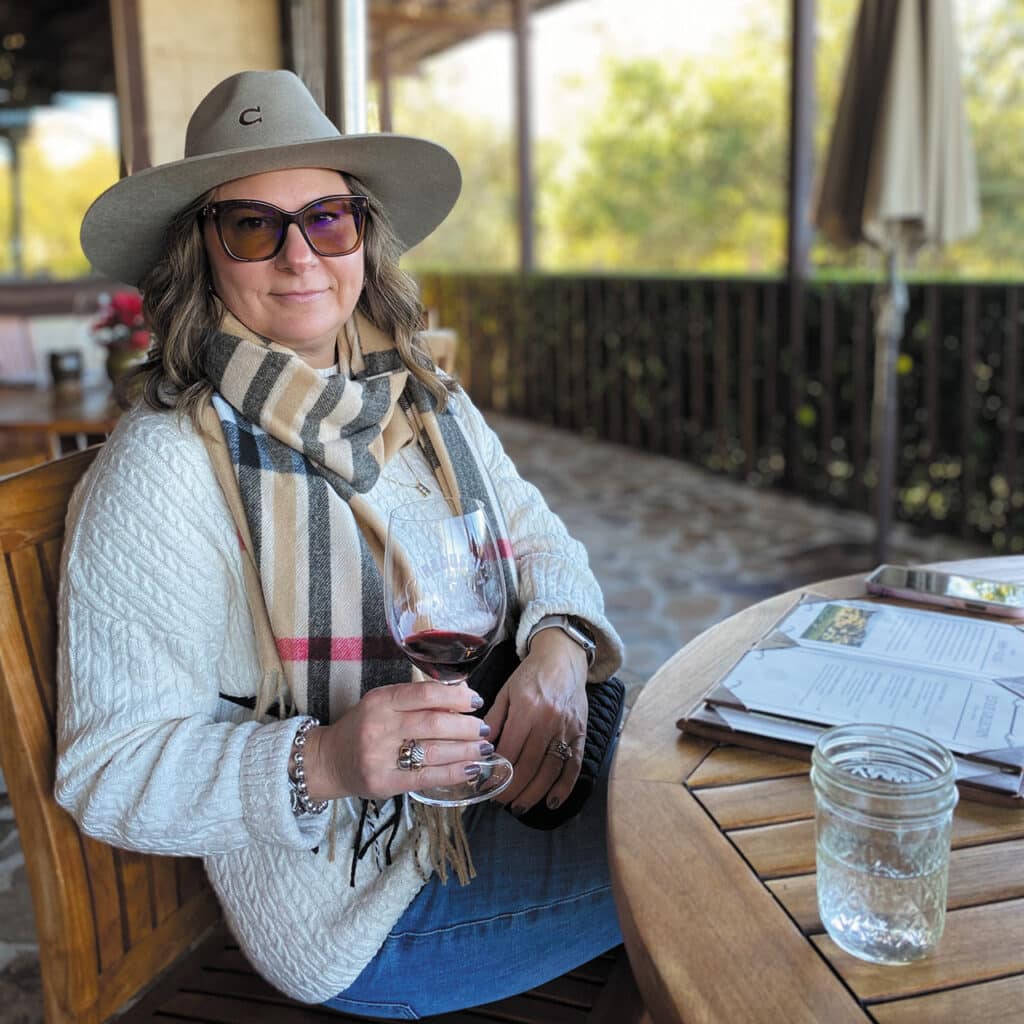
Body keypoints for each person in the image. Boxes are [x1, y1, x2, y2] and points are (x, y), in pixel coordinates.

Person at [56, 69, 625, 1017]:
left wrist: (561, 650)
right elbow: (107, 769)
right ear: (202, 255)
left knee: (723, 781)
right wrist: (321, 760)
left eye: (327, 218)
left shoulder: (420, 396)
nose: (299, 256)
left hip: (495, 768)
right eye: (252, 225)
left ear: (362, 233)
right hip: (365, 906)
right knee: (728, 857)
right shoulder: (165, 468)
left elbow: (535, 537)